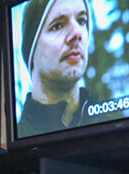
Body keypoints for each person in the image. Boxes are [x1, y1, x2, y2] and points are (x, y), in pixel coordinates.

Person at [17, 0, 93, 137]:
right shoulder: (20, 136)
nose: (77, 33)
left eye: (81, 21)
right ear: (31, 50)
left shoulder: (112, 117)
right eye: (58, 26)